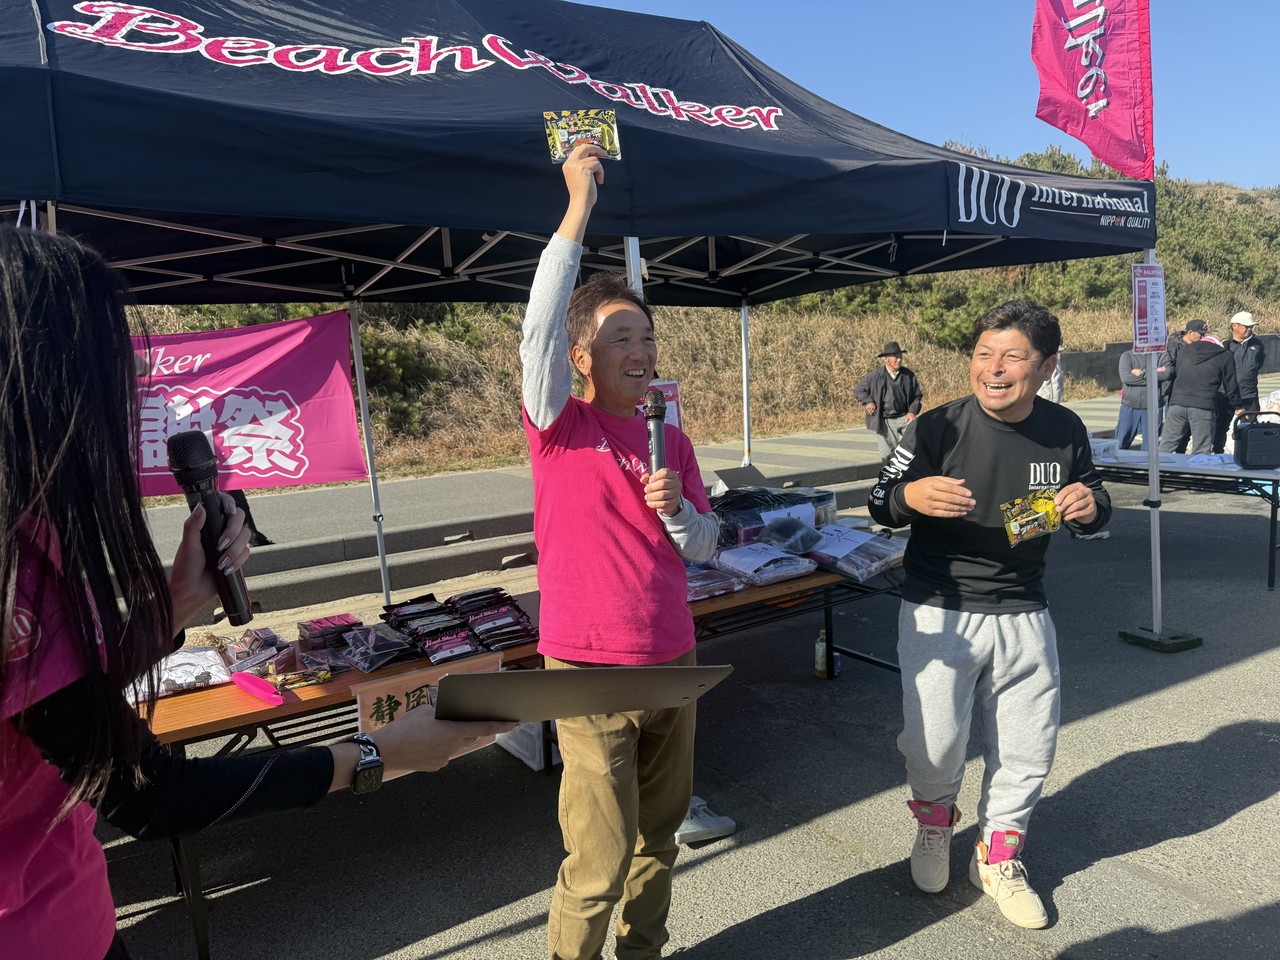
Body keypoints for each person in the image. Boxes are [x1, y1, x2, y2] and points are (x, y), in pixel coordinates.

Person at [0, 227, 513, 960]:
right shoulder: (14, 567)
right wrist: (379, 753)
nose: (132, 380)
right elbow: (152, 795)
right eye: (108, 356)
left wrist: (175, 606)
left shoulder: (30, 529)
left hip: (71, 907)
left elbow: (59, 707)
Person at [520, 142, 720, 960]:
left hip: (674, 657)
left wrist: (679, 517)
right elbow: (539, 326)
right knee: (596, 865)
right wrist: (578, 209)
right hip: (588, 668)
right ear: (581, 360)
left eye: (647, 337)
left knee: (658, 843)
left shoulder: (672, 437)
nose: (641, 352)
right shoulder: (557, 426)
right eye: (620, 338)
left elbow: (707, 544)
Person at [868, 299, 1111, 930]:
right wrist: (909, 495)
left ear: (1047, 366)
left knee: (1029, 746)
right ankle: (933, 826)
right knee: (934, 743)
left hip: (1024, 608)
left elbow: (1093, 497)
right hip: (938, 609)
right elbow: (879, 500)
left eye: (1012, 356)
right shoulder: (937, 427)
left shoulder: (1065, 428)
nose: (993, 368)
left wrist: (1091, 508)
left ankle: (998, 857)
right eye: (983, 354)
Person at [1159, 319, 1243, 455]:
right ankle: (1195, 470)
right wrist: (1238, 405)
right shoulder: (1224, 355)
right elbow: (1231, 385)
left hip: (1177, 403)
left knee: (1166, 446)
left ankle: (1160, 468)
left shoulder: (1185, 350)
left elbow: (1178, 372)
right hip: (1203, 405)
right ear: (1224, 342)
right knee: (1201, 450)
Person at [854, 341, 923, 467]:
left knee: (916, 443)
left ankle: (913, 472)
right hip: (885, 419)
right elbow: (859, 390)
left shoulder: (908, 375)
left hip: (904, 417)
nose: (899, 359)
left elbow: (917, 396)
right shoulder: (875, 376)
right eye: (895, 357)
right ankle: (890, 476)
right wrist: (869, 401)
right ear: (886, 359)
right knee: (887, 454)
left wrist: (912, 411)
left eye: (900, 356)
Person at [1115, 347, 1172, 450]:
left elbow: (1166, 374)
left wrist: (1142, 373)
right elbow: (1126, 378)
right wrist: (1154, 373)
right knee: (1120, 442)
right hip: (1129, 404)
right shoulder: (1127, 356)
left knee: (1150, 446)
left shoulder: (1162, 355)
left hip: (1153, 405)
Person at [1226, 311, 1265, 413]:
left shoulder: (1257, 344)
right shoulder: (1225, 343)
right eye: (1246, 326)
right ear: (1235, 326)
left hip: (1250, 393)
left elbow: (1259, 363)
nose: (1249, 329)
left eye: (1251, 326)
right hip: (1227, 395)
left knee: (1251, 422)